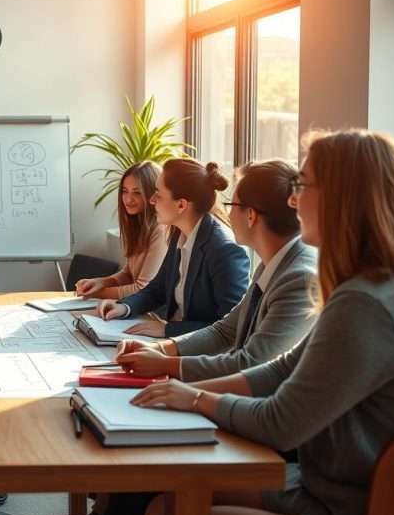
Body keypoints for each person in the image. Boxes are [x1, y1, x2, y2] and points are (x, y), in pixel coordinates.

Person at [131, 130, 394, 515]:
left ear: (342, 197)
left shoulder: (367, 303)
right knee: (166, 487)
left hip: (350, 503)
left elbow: (280, 423)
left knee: (164, 509)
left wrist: (195, 399)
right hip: (342, 485)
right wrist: (181, 390)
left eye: (303, 184)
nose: (294, 199)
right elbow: (284, 367)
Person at [116, 159, 316, 381]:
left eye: (232, 206)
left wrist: (171, 369)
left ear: (250, 215)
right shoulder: (273, 263)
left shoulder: (299, 276)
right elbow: (225, 330)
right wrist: (160, 350)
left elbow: (251, 363)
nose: (226, 215)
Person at [97, 159, 250, 337]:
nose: (151, 200)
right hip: (175, 341)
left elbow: (231, 328)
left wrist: (168, 330)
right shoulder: (180, 232)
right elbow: (158, 289)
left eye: (158, 195)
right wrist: (125, 307)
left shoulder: (224, 250)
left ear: (181, 205)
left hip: (198, 352)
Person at [75, 161, 169, 300]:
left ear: (152, 195)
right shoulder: (138, 224)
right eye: (124, 191)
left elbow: (142, 288)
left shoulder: (160, 230)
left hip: (155, 314)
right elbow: (128, 274)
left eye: (137, 193)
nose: (128, 199)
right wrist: (100, 282)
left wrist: (97, 294)